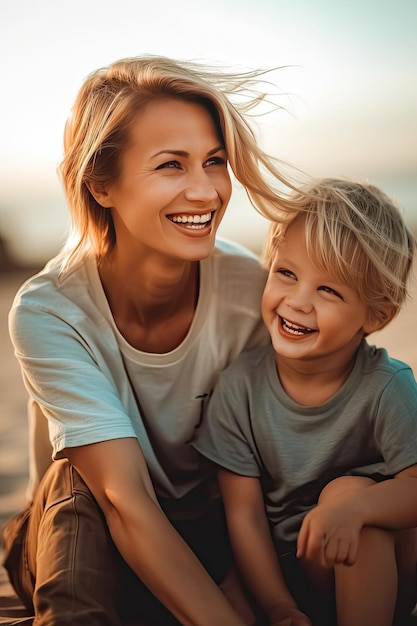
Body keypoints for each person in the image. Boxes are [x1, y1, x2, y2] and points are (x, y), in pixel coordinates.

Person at [2, 55, 306, 626]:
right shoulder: (50, 310)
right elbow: (124, 501)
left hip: (216, 533)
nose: (205, 191)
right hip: (81, 541)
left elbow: (266, 460)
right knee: (79, 477)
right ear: (100, 183)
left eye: (214, 162)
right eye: (171, 165)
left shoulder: (253, 293)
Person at [192, 178, 417, 626]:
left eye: (328, 291)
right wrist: (278, 607)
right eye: (286, 273)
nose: (297, 302)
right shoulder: (239, 389)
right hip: (293, 574)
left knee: (348, 495)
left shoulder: (387, 386)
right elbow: (245, 516)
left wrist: (355, 508)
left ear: (377, 314)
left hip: (387, 567)